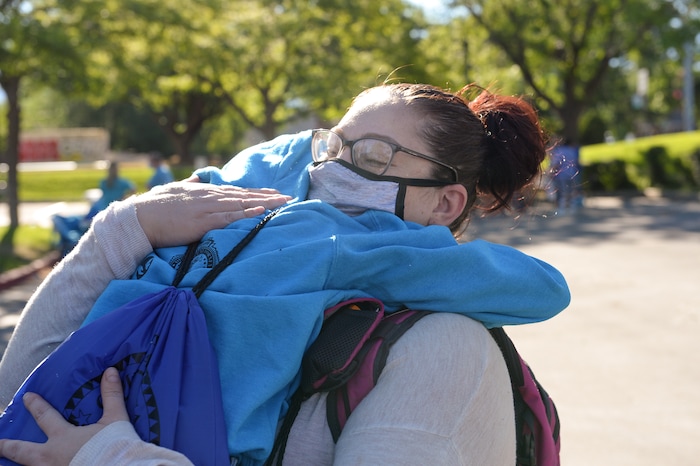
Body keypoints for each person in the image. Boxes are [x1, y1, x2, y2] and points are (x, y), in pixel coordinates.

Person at [0, 83, 570, 465]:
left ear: (443, 205)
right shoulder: (237, 212)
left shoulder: (361, 253)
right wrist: (125, 226)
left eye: (371, 156)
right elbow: (18, 394)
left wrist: (112, 456)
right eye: (334, 144)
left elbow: (537, 288)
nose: (332, 167)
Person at [549, 138, 582, 213]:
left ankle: (561, 207)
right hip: (572, 174)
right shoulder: (572, 151)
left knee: (561, 191)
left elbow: (556, 163)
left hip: (561, 175)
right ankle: (570, 206)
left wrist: (551, 172)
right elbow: (576, 162)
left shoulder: (560, 151)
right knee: (570, 191)